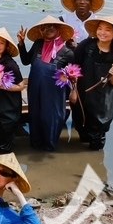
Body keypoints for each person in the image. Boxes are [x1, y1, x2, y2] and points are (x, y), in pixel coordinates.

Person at [17, 15, 75, 152]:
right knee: (35, 116)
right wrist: (21, 43)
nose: (48, 29)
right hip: (35, 89)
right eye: (44, 27)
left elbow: (75, 75)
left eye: (52, 26)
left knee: (51, 118)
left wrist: (73, 91)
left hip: (54, 93)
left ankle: (49, 147)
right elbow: (25, 61)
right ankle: (35, 146)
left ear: (59, 29)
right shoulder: (38, 44)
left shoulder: (68, 52)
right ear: (41, 31)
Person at [71, 15, 113, 150]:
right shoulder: (86, 45)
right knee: (81, 125)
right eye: (100, 28)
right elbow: (74, 68)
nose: (102, 32)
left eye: (107, 30)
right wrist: (73, 90)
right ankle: (86, 162)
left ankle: (95, 155)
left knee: (97, 135)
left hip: (102, 100)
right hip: (82, 94)